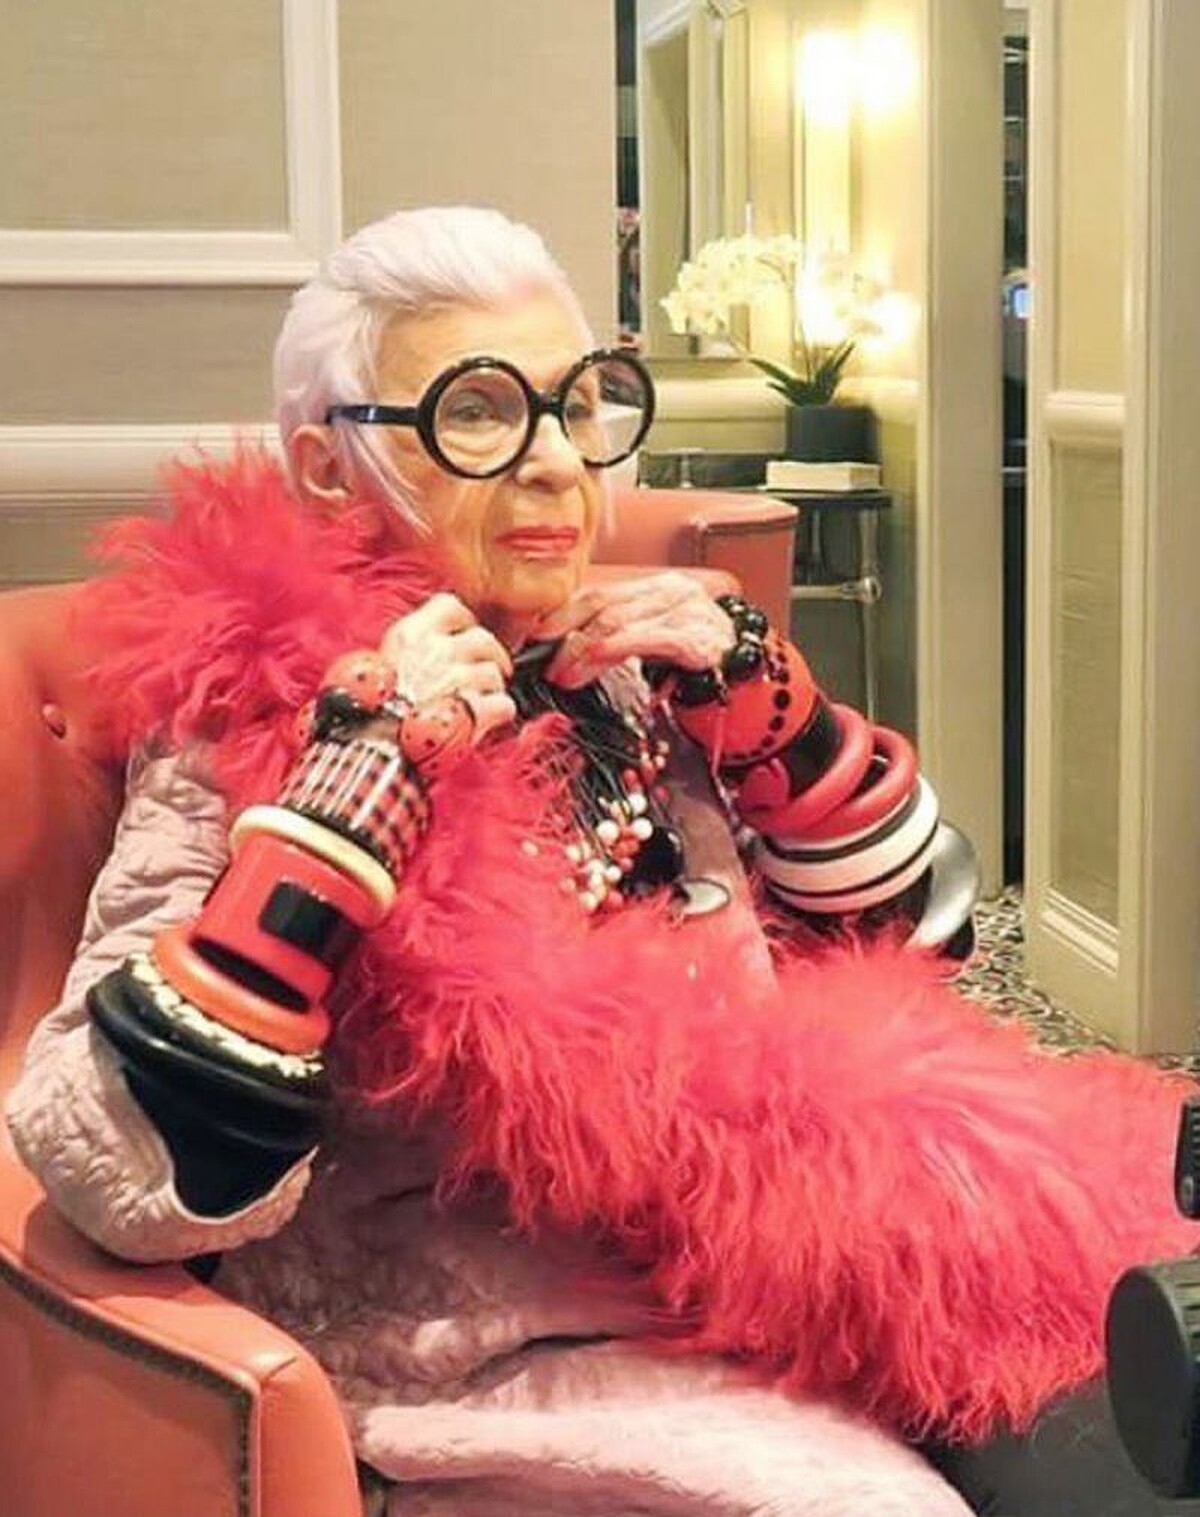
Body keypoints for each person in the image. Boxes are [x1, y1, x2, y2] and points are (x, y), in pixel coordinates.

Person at [5, 206, 1197, 1517]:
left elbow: (913, 967)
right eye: (477, 413)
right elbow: (109, 1167)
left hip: (803, 1283)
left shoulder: (626, 679)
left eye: (579, 407)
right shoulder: (256, 723)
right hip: (503, 1368)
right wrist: (345, 805)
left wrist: (782, 728)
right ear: (329, 468)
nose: (556, 464)